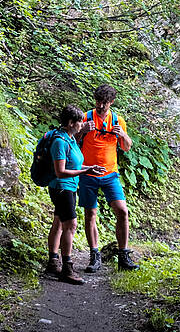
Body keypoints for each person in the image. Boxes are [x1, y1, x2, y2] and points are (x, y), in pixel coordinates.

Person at [77, 84, 139, 272]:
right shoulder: (86, 117)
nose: (101, 105)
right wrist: (83, 130)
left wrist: (123, 135)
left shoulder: (117, 120)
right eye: (98, 101)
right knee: (90, 214)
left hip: (110, 173)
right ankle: (94, 256)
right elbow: (73, 140)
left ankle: (123, 256)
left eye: (104, 102)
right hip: (87, 172)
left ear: (111, 102)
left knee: (122, 211)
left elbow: (127, 147)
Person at [44, 105, 105, 285]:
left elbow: (75, 166)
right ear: (71, 123)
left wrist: (90, 169)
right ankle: (67, 268)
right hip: (62, 188)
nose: (83, 125)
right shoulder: (60, 142)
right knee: (71, 225)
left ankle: (53, 261)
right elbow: (61, 171)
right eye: (80, 122)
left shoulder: (70, 139)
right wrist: (84, 173)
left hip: (69, 187)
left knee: (59, 222)